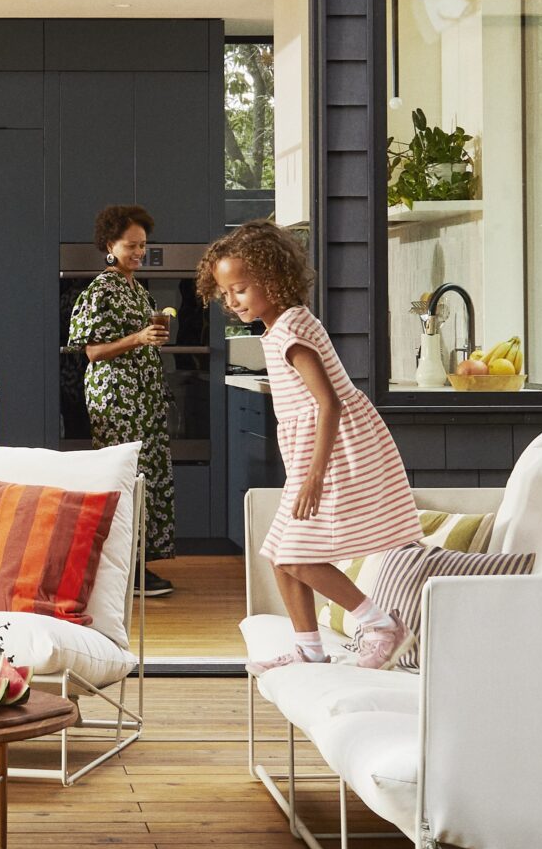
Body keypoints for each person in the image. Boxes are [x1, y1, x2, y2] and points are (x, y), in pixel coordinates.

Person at [196, 220, 415, 671]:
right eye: (225, 293)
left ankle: (381, 627)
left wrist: (314, 475)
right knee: (279, 553)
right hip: (316, 452)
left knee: (298, 555)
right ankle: (310, 649)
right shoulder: (279, 326)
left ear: (272, 280)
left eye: (239, 289)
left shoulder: (291, 330)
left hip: (335, 453)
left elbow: (329, 403)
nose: (231, 301)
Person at [67, 204, 177, 597]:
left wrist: (151, 341)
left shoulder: (136, 288)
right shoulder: (102, 289)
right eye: (131, 246)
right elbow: (93, 352)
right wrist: (138, 339)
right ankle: (122, 571)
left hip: (142, 396)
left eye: (143, 246)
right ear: (109, 245)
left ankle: (136, 567)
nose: (138, 253)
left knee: (144, 475)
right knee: (124, 478)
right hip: (117, 398)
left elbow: (139, 340)